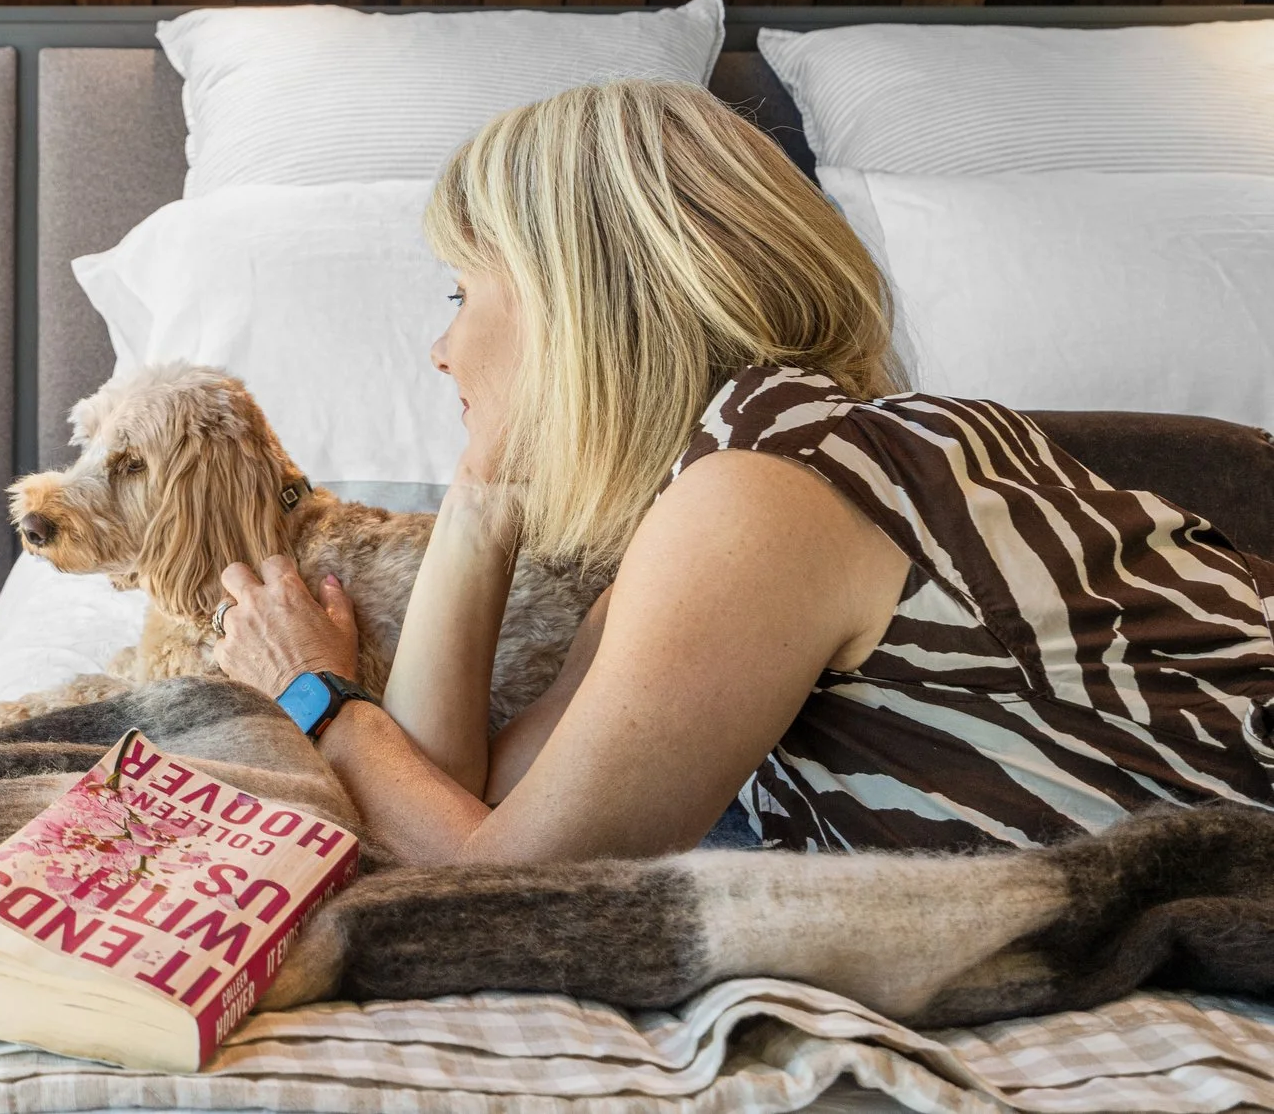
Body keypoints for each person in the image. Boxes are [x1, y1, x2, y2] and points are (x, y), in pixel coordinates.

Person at [214, 79, 1274, 861]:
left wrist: (318, 697)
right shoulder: (735, 473)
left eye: (458, 292)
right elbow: (461, 799)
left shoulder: (770, 484)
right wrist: (483, 502)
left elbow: (509, 882)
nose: (439, 349)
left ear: (568, 298)